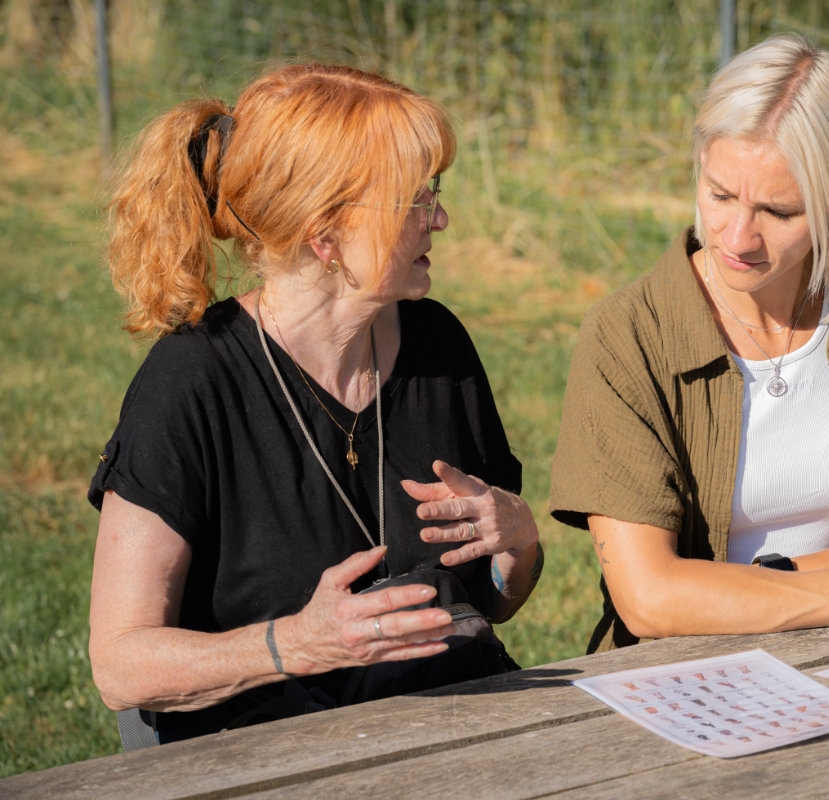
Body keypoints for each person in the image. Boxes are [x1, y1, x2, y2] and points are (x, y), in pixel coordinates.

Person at [88, 64, 543, 745]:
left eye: (434, 192)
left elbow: (495, 605)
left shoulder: (438, 344)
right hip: (271, 750)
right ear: (324, 235)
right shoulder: (192, 381)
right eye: (414, 200)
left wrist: (518, 541)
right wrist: (295, 645)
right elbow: (120, 665)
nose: (439, 218)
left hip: (448, 729)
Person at [550, 34, 829, 653]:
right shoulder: (627, 337)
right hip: (688, 677)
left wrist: (738, 590)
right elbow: (649, 600)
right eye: (720, 194)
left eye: (779, 212)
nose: (736, 237)